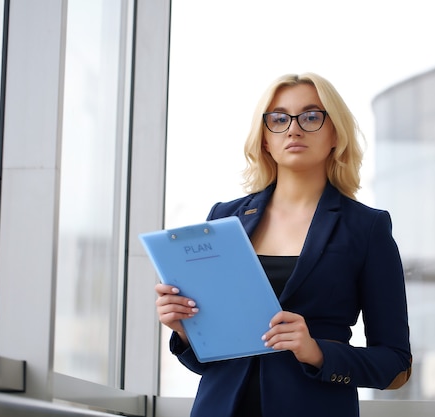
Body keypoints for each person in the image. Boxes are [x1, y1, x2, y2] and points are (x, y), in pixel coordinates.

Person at [155, 72, 412, 417]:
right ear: (264, 139)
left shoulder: (367, 228)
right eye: (278, 118)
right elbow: (212, 359)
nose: (293, 128)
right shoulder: (224, 219)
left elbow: (396, 365)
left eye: (310, 116)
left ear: (335, 133)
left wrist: (316, 352)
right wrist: (184, 330)